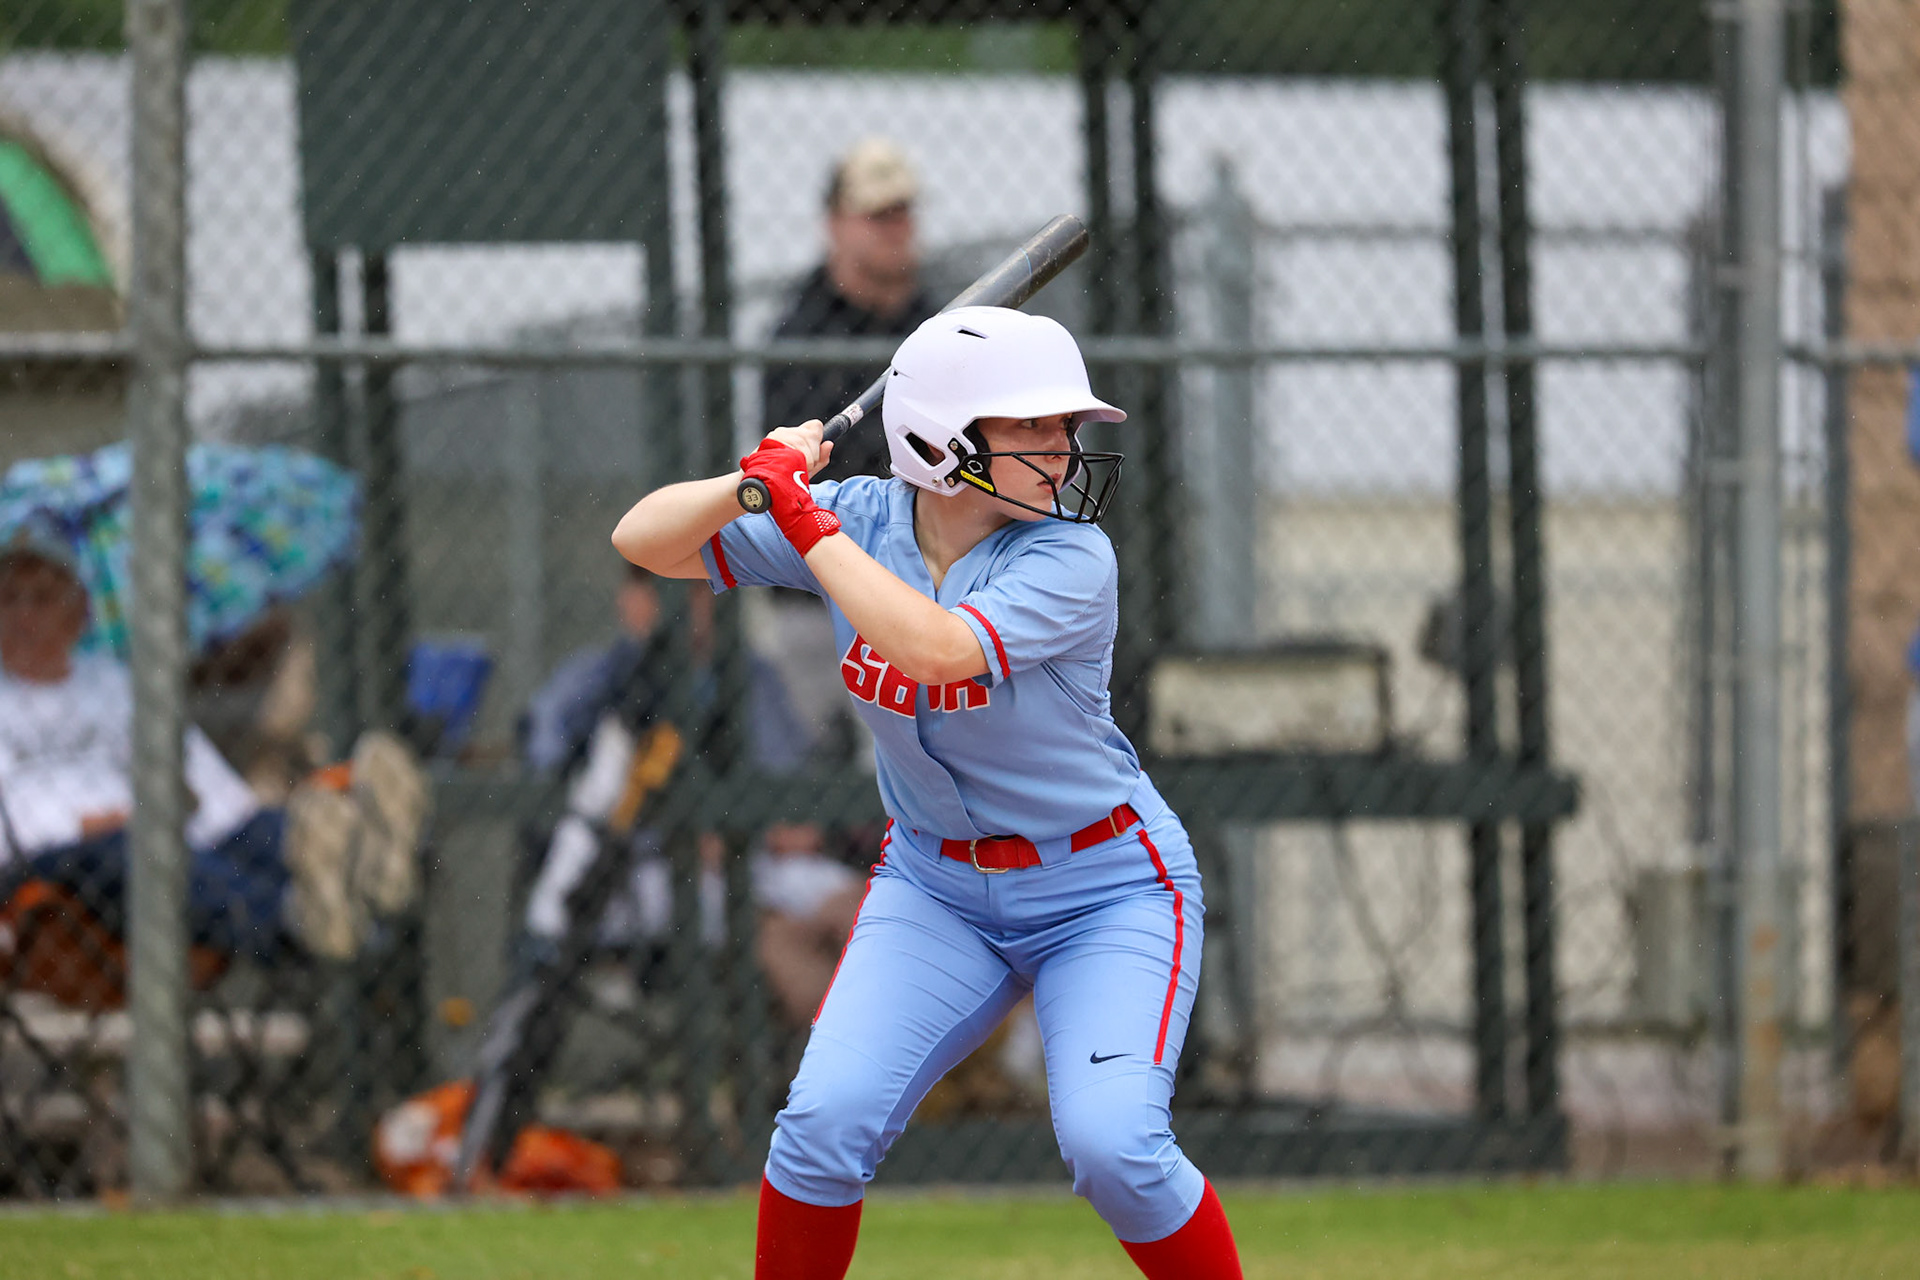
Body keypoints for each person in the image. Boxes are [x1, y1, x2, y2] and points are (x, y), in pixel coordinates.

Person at [613, 306, 1242, 1278]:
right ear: (941, 440)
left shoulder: (1072, 555)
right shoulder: (862, 518)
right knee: (820, 1126)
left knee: (1114, 1147)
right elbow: (644, 539)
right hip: (937, 888)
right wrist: (750, 481)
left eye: (1065, 425)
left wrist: (804, 521)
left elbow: (937, 650)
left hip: (1105, 887)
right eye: (1032, 425)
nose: (1063, 447)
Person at [0, 527, 427, 966]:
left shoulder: (112, 684)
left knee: (262, 830)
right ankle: (296, 918)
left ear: (78, 613)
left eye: (41, 599)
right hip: (49, 865)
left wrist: (242, 817)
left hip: (155, 833)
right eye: (10, 598)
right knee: (140, 850)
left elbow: (198, 774)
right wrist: (84, 824)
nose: (23, 614)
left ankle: (364, 868)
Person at [763, 137, 938, 482]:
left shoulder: (935, 325)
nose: (895, 229)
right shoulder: (801, 336)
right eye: (878, 215)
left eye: (902, 212)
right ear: (835, 223)